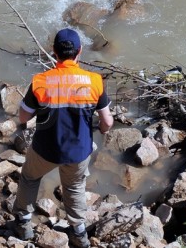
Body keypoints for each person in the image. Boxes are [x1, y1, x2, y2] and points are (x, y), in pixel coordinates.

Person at [12, 28, 113, 248]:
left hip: (45, 149)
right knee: (75, 187)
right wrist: (103, 131)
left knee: (30, 178)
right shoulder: (94, 81)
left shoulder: (41, 81)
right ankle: (78, 233)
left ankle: (24, 223)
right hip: (78, 151)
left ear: (54, 53)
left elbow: (23, 116)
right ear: (80, 52)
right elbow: (107, 121)